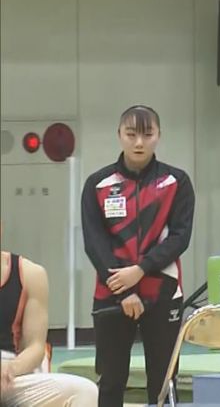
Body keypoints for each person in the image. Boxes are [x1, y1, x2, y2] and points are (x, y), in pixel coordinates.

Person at [81, 106, 194, 407]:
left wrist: (141, 270)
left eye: (147, 134)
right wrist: (125, 289)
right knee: (111, 381)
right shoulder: (97, 184)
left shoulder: (177, 182)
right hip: (112, 293)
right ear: (119, 135)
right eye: (131, 134)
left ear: (159, 136)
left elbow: (180, 238)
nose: (139, 143)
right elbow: (94, 243)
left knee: (163, 383)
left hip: (163, 292)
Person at [1, 223, 99, 407]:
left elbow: (36, 347)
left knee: (85, 391)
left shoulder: (30, 274)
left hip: (9, 374)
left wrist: (11, 369)